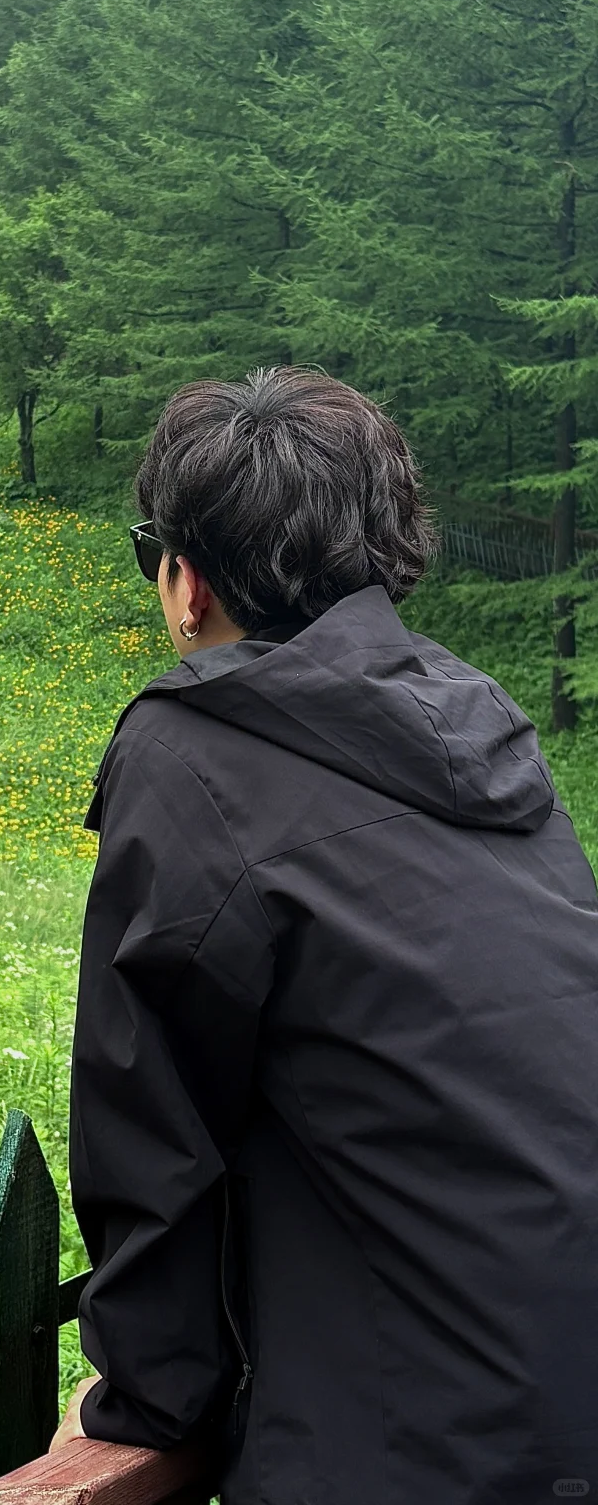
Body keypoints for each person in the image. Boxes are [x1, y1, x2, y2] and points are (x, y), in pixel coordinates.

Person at [54, 368, 598, 1504]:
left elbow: (151, 1132)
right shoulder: (479, 727)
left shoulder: (190, 753)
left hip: (418, 1451)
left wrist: (143, 1405)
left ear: (184, 581)